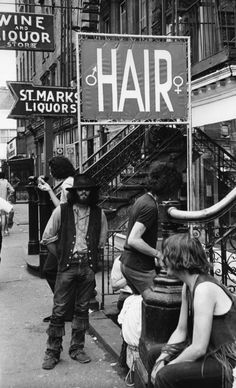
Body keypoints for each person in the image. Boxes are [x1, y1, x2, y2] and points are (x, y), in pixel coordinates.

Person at [150, 233, 236, 388]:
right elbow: (181, 331)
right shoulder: (187, 286)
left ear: (178, 258)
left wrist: (168, 366)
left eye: (166, 254)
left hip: (225, 360)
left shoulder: (204, 289)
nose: (162, 259)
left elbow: (198, 348)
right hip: (209, 353)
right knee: (154, 354)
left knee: (166, 375)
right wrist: (161, 360)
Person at [41, 173, 108, 370]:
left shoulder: (99, 213)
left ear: (92, 192)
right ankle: (52, 352)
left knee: (81, 309)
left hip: (87, 268)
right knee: (59, 309)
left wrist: (92, 265)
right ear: (74, 192)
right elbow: (47, 237)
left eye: (87, 189)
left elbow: (101, 243)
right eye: (80, 189)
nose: (84, 192)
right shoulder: (62, 211)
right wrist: (62, 257)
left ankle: (77, 348)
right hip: (67, 268)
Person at [120, 161, 182, 295]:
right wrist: (157, 254)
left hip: (128, 262)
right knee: (158, 299)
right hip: (139, 267)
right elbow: (134, 239)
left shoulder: (142, 199)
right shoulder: (150, 207)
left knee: (142, 303)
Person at [38, 156, 75, 323]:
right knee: (57, 269)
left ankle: (65, 308)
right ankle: (64, 308)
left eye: (52, 170)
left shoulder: (67, 184)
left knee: (51, 269)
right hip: (69, 231)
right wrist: (49, 190)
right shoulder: (71, 181)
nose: (51, 173)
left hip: (65, 232)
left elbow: (62, 209)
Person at [0, 172, 14, 236]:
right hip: (3, 201)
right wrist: (9, 195)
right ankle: (3, 231)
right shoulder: (6, 182)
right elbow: (12, 190)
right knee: (3, 216)